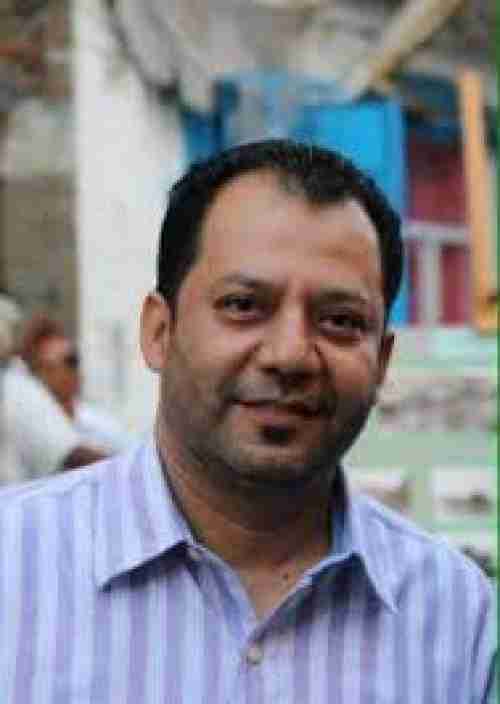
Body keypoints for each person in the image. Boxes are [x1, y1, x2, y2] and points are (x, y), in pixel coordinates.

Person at [0, 140, 495, 702]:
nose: (289, 354)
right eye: (243, 305)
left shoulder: (451, 612)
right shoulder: (14, 566)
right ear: (159, 332)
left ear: (381, 361)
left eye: (340, 320)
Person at [0, 296, 107, 485]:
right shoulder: (14, 386)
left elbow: (74, 455)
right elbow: (74, 455)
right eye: (41, 367)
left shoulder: (16, 387)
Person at [20, 314, 131, 454]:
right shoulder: (25, 431)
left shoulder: (102, 428)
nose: (70, 371)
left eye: (73, 361)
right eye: (51, 367)